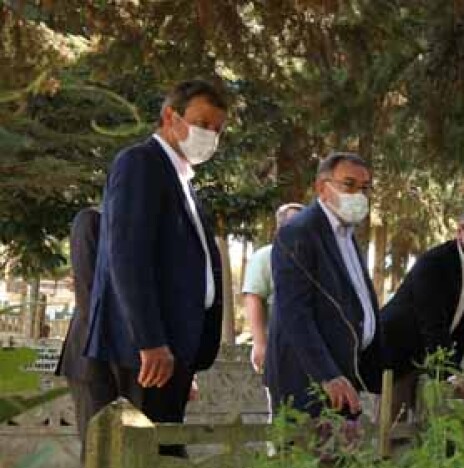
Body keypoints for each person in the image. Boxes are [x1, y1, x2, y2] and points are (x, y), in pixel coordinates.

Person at [85, 78, 228, 429]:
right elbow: (128, 258)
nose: (210, 134)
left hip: (173, 354)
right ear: (170, 117)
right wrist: (150, 341)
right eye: (201, 123)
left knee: (163, 465)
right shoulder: (140, 164)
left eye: (217, 128)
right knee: (140, 466)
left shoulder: (182, 180)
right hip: (145, 356)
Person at [266, 153, 382, 419]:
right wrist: (327, 375)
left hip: (345, 377)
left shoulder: (347, 235)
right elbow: (295, 313)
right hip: (309, 381)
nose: (359, 195)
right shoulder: (298, 232)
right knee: (305, 458)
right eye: (349, 185)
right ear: (322, 187)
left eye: (364, 188)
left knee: (342, 458)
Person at [381, 204, 464, 419]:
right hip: (401, 353)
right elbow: (432, 323)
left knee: (437, 429)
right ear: (460, 232)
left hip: (436, 360)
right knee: (391, 427)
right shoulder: (434, 263)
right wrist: (452, 374)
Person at [55, 207, 116, 442]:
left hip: (128, 363)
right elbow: (89, 293)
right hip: (90, 358)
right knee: (97, 449)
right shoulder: (92, 220)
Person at [242, 202, 305, 374]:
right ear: (280, 228)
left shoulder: (312, 260)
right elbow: (253, 297)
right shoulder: (265, 256)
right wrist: (260, 344)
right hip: (277, 345)